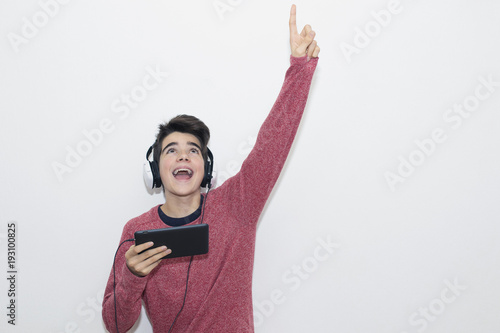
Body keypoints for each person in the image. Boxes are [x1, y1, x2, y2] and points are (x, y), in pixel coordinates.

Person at [102, 4, 320, 332]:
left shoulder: (237, 206)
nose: (183, 157)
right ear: (155, 168)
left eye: (193, 150)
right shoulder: (136, 232)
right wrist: (132, 277)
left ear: (206, 166)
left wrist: (299, 70)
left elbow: (272, 144)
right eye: (171, 151)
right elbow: (116, 325)